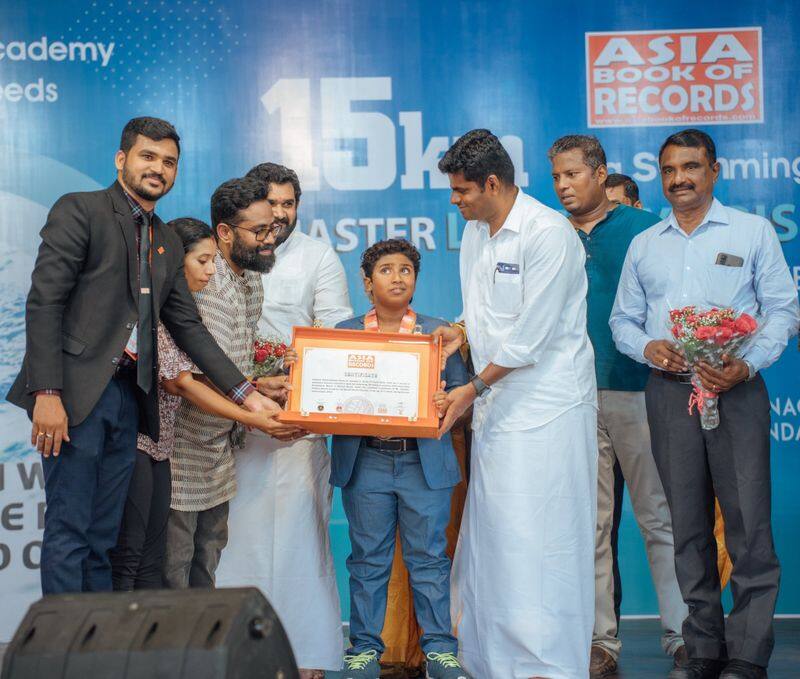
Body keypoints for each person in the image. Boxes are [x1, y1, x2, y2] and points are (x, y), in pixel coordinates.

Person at [6, 117, 277, 595]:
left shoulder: (167, 241)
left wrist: (248, 395)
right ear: (121, 159)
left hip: (131, 399)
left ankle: (99, 650)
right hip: (73, 396)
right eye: (147, 156)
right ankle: (65, 656)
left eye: (168, 162)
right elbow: (44, 301)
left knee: (104, 537)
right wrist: (47, 392)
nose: (158, 168)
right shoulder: (81, 210)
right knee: (70, 530)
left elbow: (187, 327)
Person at [610, 128, 800, 679]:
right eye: (669, 170)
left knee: (748, 525)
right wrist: (649, 346)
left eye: (691, 167)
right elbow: (622, 319)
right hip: (669, 393)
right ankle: (703, 646)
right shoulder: (646, 243)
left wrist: (746, 363)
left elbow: (783, 311)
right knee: (686, 524)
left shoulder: (752, 231)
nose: (679, 179)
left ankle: (748, 651)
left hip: (736, 389)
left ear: (714, 170)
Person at [435, 129, 598, 679]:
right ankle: (493, 663)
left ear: (492, 182)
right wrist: (457, 334)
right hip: (499, 410)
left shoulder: (548, 234)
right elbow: (483, 314)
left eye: (461, 191)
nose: (454, 201)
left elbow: (529, 337)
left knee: (543, 541)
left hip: (548, 410)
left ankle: (546, 666)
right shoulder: (480, 233)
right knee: (498, 539)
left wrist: (472, 388)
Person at [549, 134, 688, 677]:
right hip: (572, 397)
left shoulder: (645, 230)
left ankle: (681, 635)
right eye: (556, 177)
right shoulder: (549, 234)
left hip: (639, 389)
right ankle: (600, 643)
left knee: (660, 517)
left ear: (600, 174)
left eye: (573, 175)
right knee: (591, 524)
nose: (563, 186)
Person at [216, 163, 351, 677]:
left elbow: (334, 331)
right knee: (234, 538)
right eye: (271, 203)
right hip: (232, 420)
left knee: (300, 533)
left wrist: (294, 385)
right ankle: (233, 650)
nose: (279, 214)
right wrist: (249, 384)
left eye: (289, 204)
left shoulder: (317, 256)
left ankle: (306, 652)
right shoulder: (229, 253)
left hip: (298, 420)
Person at [110, 218, 293, 590]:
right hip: (160, 453)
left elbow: (201, 376)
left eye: (214, 262)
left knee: (199, 562)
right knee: (162, 565)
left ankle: (199, 644)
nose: (211, 272)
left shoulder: (186, 311)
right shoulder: (156, 311)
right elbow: (182, 383)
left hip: (197, 455)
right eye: (203, 261)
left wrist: (255, 387)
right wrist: (251, 414)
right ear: (174, 264)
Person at [331, 239, 472, 679]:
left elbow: (461, 397)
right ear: (367, 281)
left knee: (429, 558)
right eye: (386, 269)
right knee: (368, 559)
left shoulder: (438, 333)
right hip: (367, 460)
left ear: (415, 280)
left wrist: (443, 401)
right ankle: (365, 649)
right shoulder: (343, 334)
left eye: (406, 269)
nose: (397, 277)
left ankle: (440, 650)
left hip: (423, 463)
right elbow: (329, 395)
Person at [163, 177, 306, 589]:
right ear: (224, 232)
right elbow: (195, 374)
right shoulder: (204, 282)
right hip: (180, 452)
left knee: (206, 565)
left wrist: (262, 384)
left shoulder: (250, 279)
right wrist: (258, 413)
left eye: (274, 229)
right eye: (259, 231)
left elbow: (230, 363)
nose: (270, 240)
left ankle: (204, 653)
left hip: (217, 453)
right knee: (174, 571)